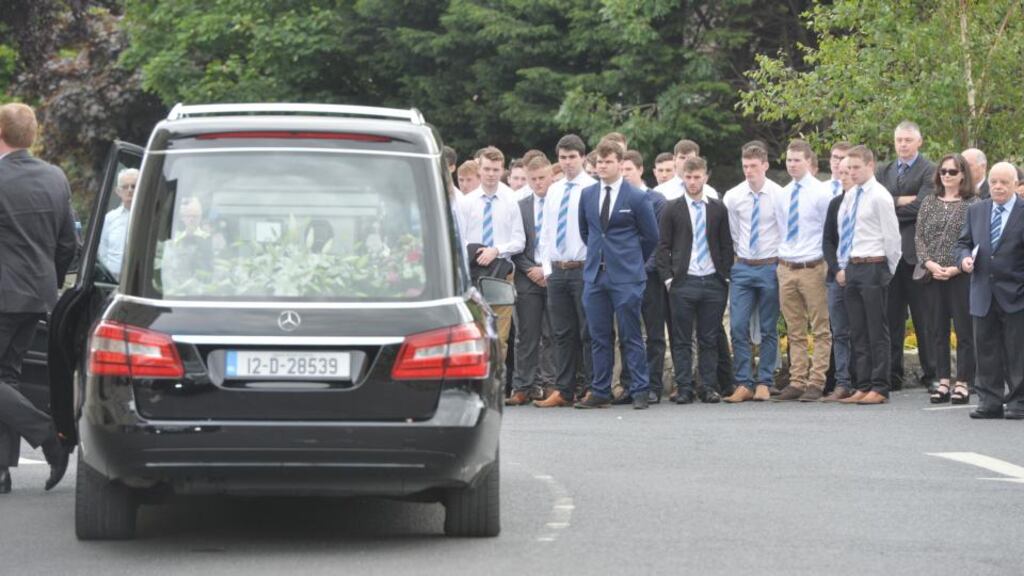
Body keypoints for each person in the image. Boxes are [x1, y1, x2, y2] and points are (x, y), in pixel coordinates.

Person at [0, 102, 74, 493]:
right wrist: (51, 282)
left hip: (4, 295)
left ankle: (50, 438)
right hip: (39, 294)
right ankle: (1, 471)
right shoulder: (55, 177)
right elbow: (69, 243)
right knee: (7, 377)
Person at [575, 140, 659, 409]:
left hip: (627, 277)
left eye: (608, 161)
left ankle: (640, 389)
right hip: (595, 277)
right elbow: (587, 233)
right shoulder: (587, 195)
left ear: (620, 165)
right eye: (599, 162)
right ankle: (600, 390)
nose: (602, 166)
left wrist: (632, 262)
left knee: (630, 335)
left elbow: (651, 236)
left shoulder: (635, 196)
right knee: (598, 336)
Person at [657, 156, 733, 404]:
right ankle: (684, 386)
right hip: (683, 281)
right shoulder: (672, 208)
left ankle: (709, 386)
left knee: (709, 337)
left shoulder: (717, 208)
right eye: (688, 177)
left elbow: (725, 244)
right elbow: (663, 246)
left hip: (712, 280)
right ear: (682, 178)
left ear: (705, 177)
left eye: (697, 177)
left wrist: (725, 276)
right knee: (681, 338)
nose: (692, 182)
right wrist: (669, 279)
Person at [956, 162, 1024, 420]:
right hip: (983, 291)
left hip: (1016, 293)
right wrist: (963, 260)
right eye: (994, 181)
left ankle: (1018, 401)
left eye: (1004, 182)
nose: (997, 186)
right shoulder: (977, 210)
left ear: (1016, 185)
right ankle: (990, 400)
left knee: (1017, 351)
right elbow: (963, 243)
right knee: (985, 349)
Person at [533, 134, 597, 407]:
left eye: (572, 157)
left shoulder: (593, 188)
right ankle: (564, 389)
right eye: (563, 157)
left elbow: (596, 233)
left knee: (589, 331)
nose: (568, 162)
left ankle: (594, 387)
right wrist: (547, 268)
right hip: (557, 270)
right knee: (561, 333)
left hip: (583, 268)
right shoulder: (555, 190)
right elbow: (546, 231)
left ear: (583, 158)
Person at [836, 145, 902, 405]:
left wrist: (888, 270)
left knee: (877, 330)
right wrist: (845, 264)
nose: (851, 172)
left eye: (856, 168)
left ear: (870, 165)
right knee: (858, 331)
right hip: (854, 265)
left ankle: (879, 386)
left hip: (874, 265)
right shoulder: (851, 195)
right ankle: (862, 385)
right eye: (848, 168)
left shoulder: (879, 196)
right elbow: (845, 232)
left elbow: (892, 236)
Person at [876, 121, 937, 391]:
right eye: (899, 139)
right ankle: (893, 374)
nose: (902, 144)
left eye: (908, 140)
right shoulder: (884, 170)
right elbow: (878, 205)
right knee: (891, 319)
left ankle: (932, 374)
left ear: (919, 142)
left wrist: (894, 202)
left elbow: (924, 206)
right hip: (890, 258)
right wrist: (902, 200)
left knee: (925, 319)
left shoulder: (931, 170)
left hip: (917, 257)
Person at [772, 139, 833, 402]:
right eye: (789, 160)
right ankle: (796, 379)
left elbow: (829, 231)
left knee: (820, 327)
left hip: (813, 265)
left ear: (809, 162)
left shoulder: (821, 193)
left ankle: (816, 380)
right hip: (787, 266)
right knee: (794, 328)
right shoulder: (783, 195)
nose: (792, 164)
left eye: (797, 160)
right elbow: (781, 229)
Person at [722, 143, 783, 402]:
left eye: (754, 166)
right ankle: (744, 381)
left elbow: (784, 229)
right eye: (745, 166)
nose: (749, 171)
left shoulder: (779, 195)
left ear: (765, 166)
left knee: (769, 327)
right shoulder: (733, 196)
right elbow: (733, 231)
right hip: (744, 266)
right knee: (738, 325)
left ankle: (764, 381)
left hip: (770, 265)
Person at [917, 153, 977, 405]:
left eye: (953, 172)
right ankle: (942, 380)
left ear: (963, 174)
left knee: (964, 331)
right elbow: (918, 237)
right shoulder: (929, 202)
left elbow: (976, 241)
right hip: (933, 276)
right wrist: (930, 264)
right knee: (937, 330)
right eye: (943, 171)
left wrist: (955, 268)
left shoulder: (973, 204)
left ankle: (963, 382)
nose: (947, 176)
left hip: (959, 276)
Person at [457, 146, 525, 366]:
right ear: (479, 169)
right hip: (473, 272)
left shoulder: (511, 200)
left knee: (500, 335)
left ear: (502, 170)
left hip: (501, 273)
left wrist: (496, 249)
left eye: (495, 170)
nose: (491, 174)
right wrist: (476, 250)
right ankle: (474, 381)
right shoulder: (466, 202)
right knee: (473, 330)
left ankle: (495, 383)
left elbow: (519, 241)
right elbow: (458, 239)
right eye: (486, 169)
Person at [614, 150, 668, 404]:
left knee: (654, 333)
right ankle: (629, 385)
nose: (624, 175)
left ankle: (653, 385)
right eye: (621, 170)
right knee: (628, 332)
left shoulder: (656, 200)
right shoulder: (615, 200)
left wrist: (642, 268)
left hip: (649, 276)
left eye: (629, 170)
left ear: (640, 170)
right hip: (623, 278)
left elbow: (658, 241)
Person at [508, 156, 556, 405]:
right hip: (527, 276)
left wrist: (547, 270)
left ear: (551, 176)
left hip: (554, 275)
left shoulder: (559, 202)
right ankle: (522, 386)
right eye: (533, 179)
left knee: (552, 333)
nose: (538, 183)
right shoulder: (520, 205)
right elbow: (515, 243)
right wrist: (530, 269)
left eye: (542, 178)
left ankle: (550, 384)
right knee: (526, 334)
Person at [821, 155, 856, 401]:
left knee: (864, 331)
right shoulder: (835, 204)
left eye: (850, 171)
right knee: (840, 331)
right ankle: (843, 382)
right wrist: (836, 269)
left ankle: (865, 381)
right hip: (837, 276)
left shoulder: (869, 202)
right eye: (841, 173)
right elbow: (828, 240)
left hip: (862, 274)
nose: (845, 177)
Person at [97, 167, 138, 279]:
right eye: (125, 187)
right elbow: (102, 251)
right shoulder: (109, 218)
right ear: (118, 191)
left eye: (134, 186)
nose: (130, 190)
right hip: (113, 281)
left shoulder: (150, 217)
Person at [655, 139, 719, 201]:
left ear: (697, 159)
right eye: (682, 158)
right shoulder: (660, 192)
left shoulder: (709, 192)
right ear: (674, 159)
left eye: (690, 158)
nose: (686, 162)